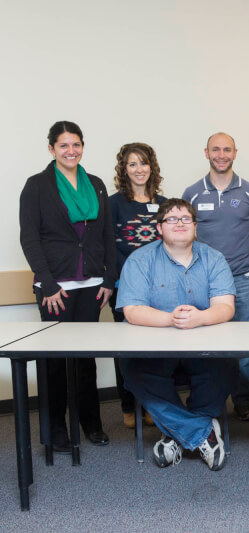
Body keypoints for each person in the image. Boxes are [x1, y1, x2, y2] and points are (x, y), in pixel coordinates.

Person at [117, 198, 237, 471]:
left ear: (195, 226)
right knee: (132, 369)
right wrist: (171, 319)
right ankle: (201, 432)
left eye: (186, 219)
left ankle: (174, 432)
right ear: (159, 228)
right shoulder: (140, 260)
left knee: (227, 365)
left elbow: (226, 307)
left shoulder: (213, 258)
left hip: (204, 344)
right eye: (172, 219)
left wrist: (200, 318)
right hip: (155, 347)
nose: (180, 223)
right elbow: (132, 310)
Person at [19, 121, 115, 451]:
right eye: (63, 145)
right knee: (55, 361)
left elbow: (106, 236)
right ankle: (56, 431)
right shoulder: (37, 186)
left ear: (82, 147)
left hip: (92, 285)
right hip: (54, 287)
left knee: (85, 360)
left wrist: (109, 280)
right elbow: (29, 238)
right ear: (51, 149)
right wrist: (46, 284)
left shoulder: (97, 185)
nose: (70, 150)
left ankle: (91, 423)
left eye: (76, 144)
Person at [183, 132, 249, 421]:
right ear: (206, 153)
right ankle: (208, 401)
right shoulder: (192, 192)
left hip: (242, 278)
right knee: (207, 345)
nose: (221, 154)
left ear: (235, 153)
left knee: (243, 348)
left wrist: (242, 256)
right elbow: (182, 235)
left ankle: (243, 401)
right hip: (204, 283)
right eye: (215, 149)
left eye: (226, 149)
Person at [109, 142, 167, 428]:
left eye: (143, 163)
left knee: (154, 354)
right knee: (127, 352)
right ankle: (128, 405)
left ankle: (150, 404)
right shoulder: (114, 204)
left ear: (151, 167)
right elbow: (107, 246)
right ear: (124, 169)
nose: (139, 169)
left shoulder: (164, 204)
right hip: (125, 288)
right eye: (132, 164)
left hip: (160, 289)